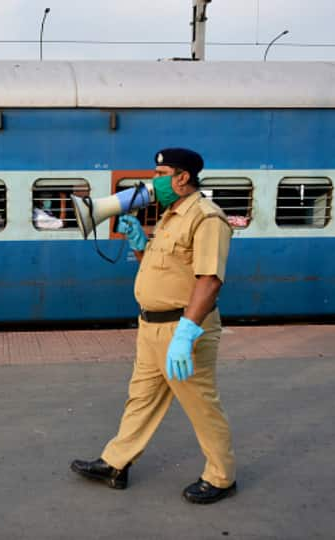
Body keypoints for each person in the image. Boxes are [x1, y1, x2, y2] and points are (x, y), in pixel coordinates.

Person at [70, 148, 237, 505]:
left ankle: (221, 476)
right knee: (141, 399)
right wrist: (140, 245)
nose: (154, 181)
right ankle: (116, 463)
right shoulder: (169, 216)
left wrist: (187, 334)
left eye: (161, 173)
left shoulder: (206, 218)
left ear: (182, 178)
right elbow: (165, 268)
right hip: (151, 328)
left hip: (182, 330)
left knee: (201, 405)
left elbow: (209, 280)